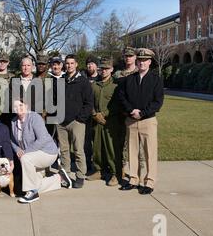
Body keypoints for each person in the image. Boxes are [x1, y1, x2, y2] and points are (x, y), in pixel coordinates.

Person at [119, 48, 164, 195]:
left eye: (145, 60)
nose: (142, 63)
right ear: (136, 62)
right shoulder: (129, 79)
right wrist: (131, 111)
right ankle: (133, 180)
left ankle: (149, 182)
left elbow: (158, 102)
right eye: (139, 60)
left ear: (150, 62)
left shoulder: (156, 79)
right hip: (131, 120)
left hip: (148, 121)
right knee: (132, 151)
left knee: (149, 152)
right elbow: (122, 97)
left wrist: (142, 113)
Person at [11, 99, 72, 203]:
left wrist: (25, 152)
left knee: (25, 159)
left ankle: (33, 194)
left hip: (47, 152)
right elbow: (12, 140)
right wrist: (17, 150)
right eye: (16, 106)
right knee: (35, 184)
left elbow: (42, 139)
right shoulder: (13, 121)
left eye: (21, 105)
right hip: (33, 155)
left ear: (26, 106)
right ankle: (59, 179)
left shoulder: (34, 117)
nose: (18, 108)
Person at [57, 54, 94, 189]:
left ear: (76, 64)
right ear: (64, 65)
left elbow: (89, 103)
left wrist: (80, 118)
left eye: (72, 63)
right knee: (64, 150)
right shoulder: (61, 80)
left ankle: (80, 176)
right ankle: (66, 175)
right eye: (67, 63)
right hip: (61, 122)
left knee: (78, 150)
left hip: (77, 122)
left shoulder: (83, 82)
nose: (69, 66)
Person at [87, 58, 121, 187]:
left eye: (107, 68)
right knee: (97, 147)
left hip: (110, 122)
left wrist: (104, 114)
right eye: (102, 68)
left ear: (112, 69)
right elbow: (89, 101)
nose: (104, 71)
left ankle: (114, 173)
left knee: (111, 148)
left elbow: (117, 104)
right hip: (96, 121)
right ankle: (98, 170)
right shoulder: (94, 85)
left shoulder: (115, 86)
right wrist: (94, 114)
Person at [114, 47, 146, 181]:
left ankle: (139, 172)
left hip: (135, 114)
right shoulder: (117, 74)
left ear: (135, 58)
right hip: (120, 113)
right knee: (121, 144)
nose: (128, 58)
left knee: (138, 145)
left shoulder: (140, 72)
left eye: (131, 56)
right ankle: (121, 171)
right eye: (126, 56)